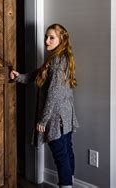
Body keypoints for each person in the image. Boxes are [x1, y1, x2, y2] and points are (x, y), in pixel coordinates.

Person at [10, 23, 79, 188]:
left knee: (61, 155)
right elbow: (38, 74)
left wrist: (43, 120)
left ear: (61, 39)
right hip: (66, 116)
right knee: (67, 152)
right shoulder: (60, 57)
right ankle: (69, 183)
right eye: (46, 37)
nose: (47, 41)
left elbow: (53, 94)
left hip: (56, 118)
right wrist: (19, 77)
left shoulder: (57, 61)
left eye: (51, 37)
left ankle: (66, 184)